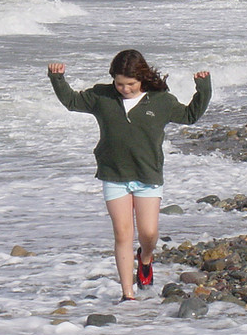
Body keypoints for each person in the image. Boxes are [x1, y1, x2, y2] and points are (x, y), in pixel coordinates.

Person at [47, 49, 211, 302]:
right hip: (114, 175)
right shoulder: (102, 96)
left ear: (142, 79)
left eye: (131, 84)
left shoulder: (161, 101)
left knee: (148, 234)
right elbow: (72, 101)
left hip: (148, 175)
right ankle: (128, 293)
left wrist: (203, 87)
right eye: (120, 84)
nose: (125, 89)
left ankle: (145, 258)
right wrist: (57, 79)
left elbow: (190, 116)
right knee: (122, 234)